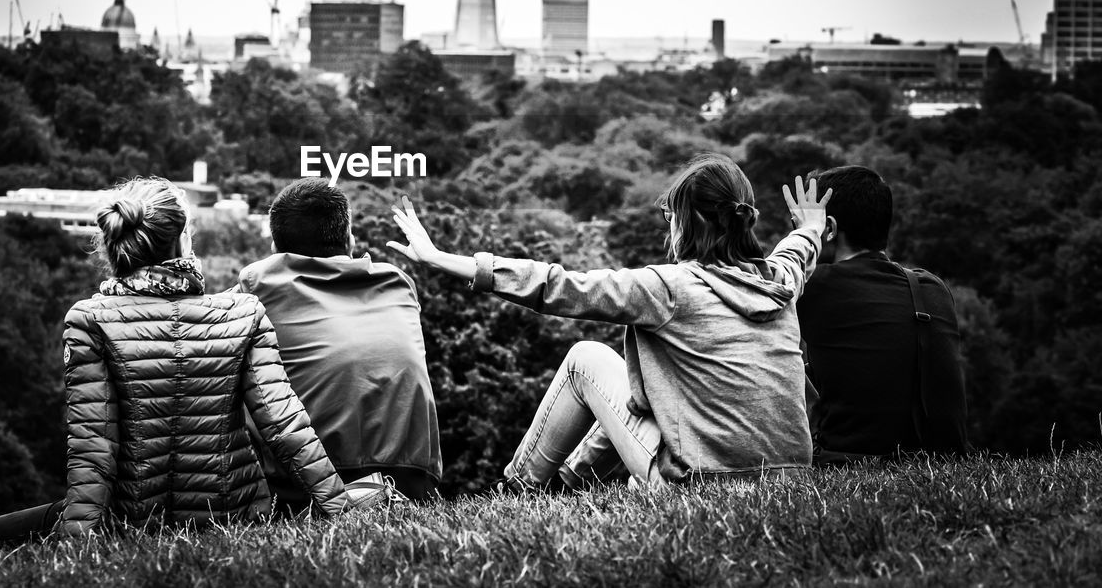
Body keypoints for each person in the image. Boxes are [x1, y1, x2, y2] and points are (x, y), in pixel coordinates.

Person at [0, 177, 357, 552]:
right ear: (184, 238)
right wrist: (340, 506)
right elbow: (283, 424)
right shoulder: (243, 314)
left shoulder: (90, 321)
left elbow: (93, 448)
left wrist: (77, 542)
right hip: (232, 515)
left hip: (131, 521)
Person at [388, 153, 831, 489]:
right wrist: (811, 227)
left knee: (586, 360)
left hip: (706, 480)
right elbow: (797, 252)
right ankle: (568, 481)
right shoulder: (779, 282)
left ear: (691, 220)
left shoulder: (669, 288)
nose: (668, 227)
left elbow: (555, 285)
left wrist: (440, 258)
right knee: (639, 389)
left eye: (670, 216)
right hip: (790, 475)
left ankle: (519, 489)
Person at [235, 178, 442, 508]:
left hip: (306, 486)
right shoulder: (397, 282)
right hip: (412, 481)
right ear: (349, 238)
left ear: (275, 250)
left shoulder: (257, 283)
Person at [799, 165, 969, 462]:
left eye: (803, 225)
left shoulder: (814, 286)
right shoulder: (932, 287)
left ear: (829, 229)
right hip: (938, 459)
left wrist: (804, 239)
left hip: (848, 461)